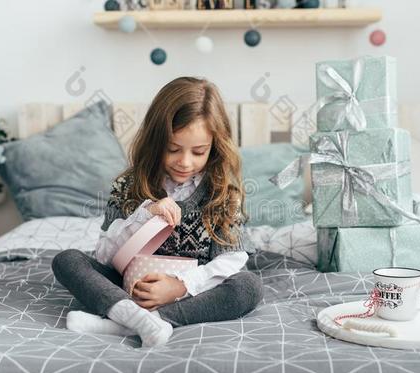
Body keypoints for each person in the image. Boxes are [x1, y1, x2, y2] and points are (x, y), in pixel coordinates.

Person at [52, 77, 263, 347]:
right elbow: (105, 257)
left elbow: (230, 260)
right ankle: (135, 318)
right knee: (67, 260)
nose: (185, 162)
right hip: (127, 285)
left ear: (214, 148)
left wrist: (179, 286)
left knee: (248, 285)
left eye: (198, 152)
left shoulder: (222, 191)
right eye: (173, 149)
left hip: (190, 292)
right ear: (156, 141)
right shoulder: (129, 185)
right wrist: (145, 213)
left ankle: (129, 324)